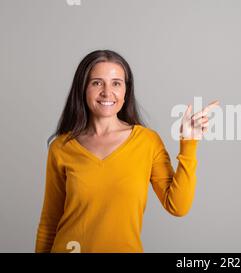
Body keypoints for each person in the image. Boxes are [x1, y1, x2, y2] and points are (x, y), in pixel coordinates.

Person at [35, 49, 219, 253]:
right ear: (83, 88)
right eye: (97, 82)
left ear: (125, 91)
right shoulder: (61, 147)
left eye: (116, 83)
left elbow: (178, 206)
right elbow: (49, 223)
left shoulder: (147, 142)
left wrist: (189, 143)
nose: (107, 92)